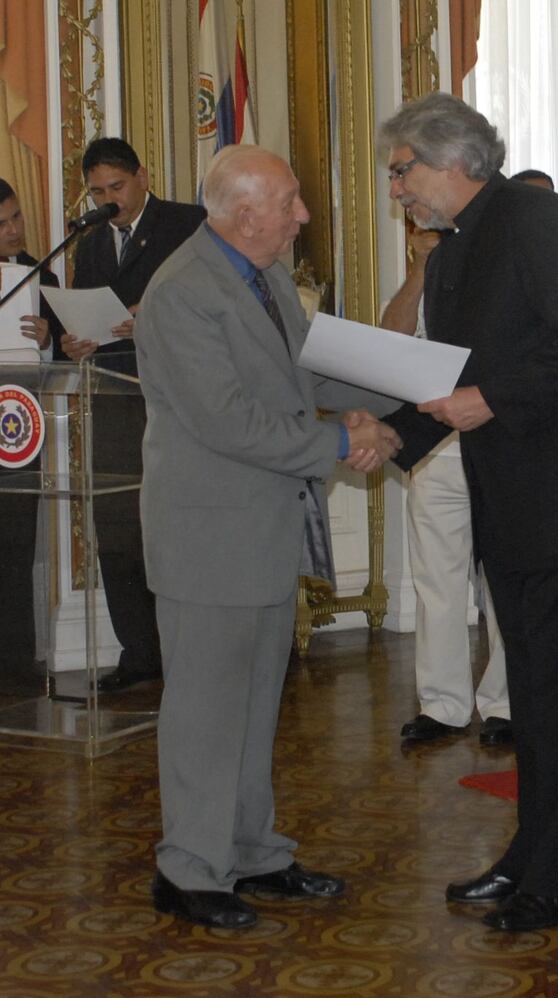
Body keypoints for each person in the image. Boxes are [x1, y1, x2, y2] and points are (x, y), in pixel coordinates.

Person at [380, 92, 558, 932]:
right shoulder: (459, 244)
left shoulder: (536, 220)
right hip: (517, 494)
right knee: (536, 696)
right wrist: (389, 432)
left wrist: (489, 398)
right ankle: (529, 860)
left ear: (453, 160)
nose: (396, 190)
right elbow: (447, 373)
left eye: (403, 172)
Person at [133, 144, 401, 929]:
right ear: (246, 213)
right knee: (204, 713)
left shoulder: (266, 273)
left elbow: (299, 374)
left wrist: (405, 393)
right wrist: (342, 443)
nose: (302, 216)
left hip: (258, 527)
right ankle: (188, 871)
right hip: (207, 538)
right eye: (290, 203)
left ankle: (251, 854)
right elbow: (229, 421)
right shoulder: (181, 292)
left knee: (252, 707)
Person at [60, 138, 206, 692]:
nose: (108, 199)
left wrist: (155, 309)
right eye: (97, 191)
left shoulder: (188, 225)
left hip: (177, 394)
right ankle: (139, 653)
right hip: (116, 395)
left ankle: (187, 653)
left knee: (176, 526)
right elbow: (82, 313)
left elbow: (221, 296)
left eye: (115, 187)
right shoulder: (91, 244)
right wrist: (74, 343)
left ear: (142, 177)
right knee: (117, 527)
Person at [382, 226, 511, 747]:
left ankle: (506, 704)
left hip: (502, 442)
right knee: (436, 580)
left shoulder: (506, 272)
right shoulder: (424, 271)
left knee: (505, 580)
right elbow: (391, 339)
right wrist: (419, 269)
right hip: (436, 448)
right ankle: (442, 706)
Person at [0, 179, 62, 690]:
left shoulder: (41, 272)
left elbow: (63, 354)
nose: (15, 230)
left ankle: (17, 665)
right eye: (2, 224)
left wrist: (47, 343)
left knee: (17, 548)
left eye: (17, 217)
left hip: (17, 427)